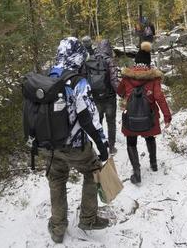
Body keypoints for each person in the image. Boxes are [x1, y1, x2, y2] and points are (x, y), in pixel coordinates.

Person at [40, 37, 110, 243]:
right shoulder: (78, 81)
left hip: (49, 145)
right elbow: (88, 118)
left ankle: (58, 227)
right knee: (92, 170)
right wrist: (102, 144)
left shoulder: (47, 76)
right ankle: (88, 218)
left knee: (56, 180)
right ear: (78, 55)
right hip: (74, 145)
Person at [117, 41, 172, 184]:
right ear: (149, 64)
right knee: (150, 137)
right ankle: (153, 164)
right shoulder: (154, 79)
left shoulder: (127, 77)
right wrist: (167, 116)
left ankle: (136, 172)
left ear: (135, 63)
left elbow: (119, 92)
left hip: (131, 117)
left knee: (131, 142)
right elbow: (159, 97)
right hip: (150, 116)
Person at [94, 39, 120, 154]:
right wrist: (123, 94)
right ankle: (112, 147)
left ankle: (101, 146)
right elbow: (114, 81)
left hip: (96, 97)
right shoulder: (110, 61)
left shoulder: (91, 60)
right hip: (109, 97)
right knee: (111, 122)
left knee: (97, 122)